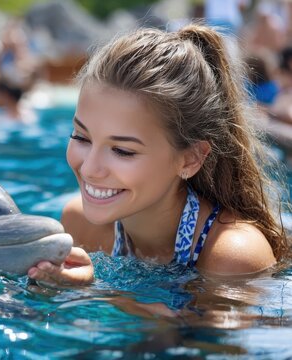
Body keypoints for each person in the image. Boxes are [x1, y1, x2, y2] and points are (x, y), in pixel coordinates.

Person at [27, 24, 289, 286]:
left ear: (191, 159)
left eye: (123, 151)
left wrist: (96, 291)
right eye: (81, 137)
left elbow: (189, 329)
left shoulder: (233, 255)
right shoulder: (80, 221)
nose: (89, 169)